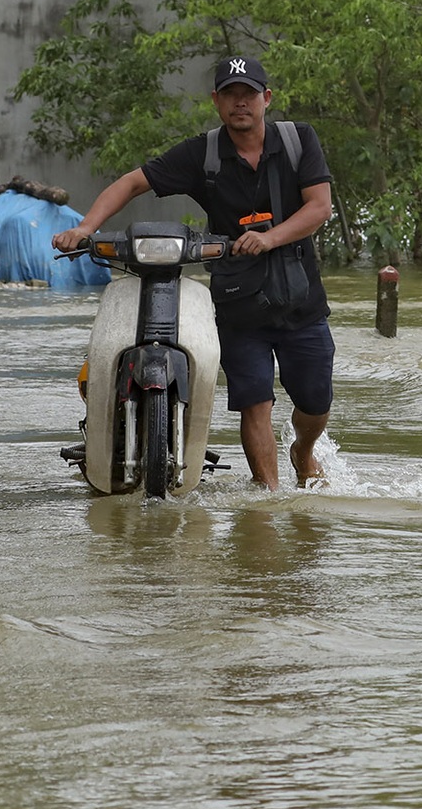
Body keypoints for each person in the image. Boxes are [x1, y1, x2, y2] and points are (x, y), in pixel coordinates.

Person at [53, 55, 334, 490]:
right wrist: (85, 228)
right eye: (230, 95)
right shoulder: (202, 153)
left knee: (315, 403)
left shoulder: (299, 141)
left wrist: (269, 237)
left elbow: (320, 207)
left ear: (267, 98)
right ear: (217, 102)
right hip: (240, 303)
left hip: (300, 299)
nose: (241, 103)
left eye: (249, 94)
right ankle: (271, 500)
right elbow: (132, 182)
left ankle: (303, 449)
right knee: (255, 402)